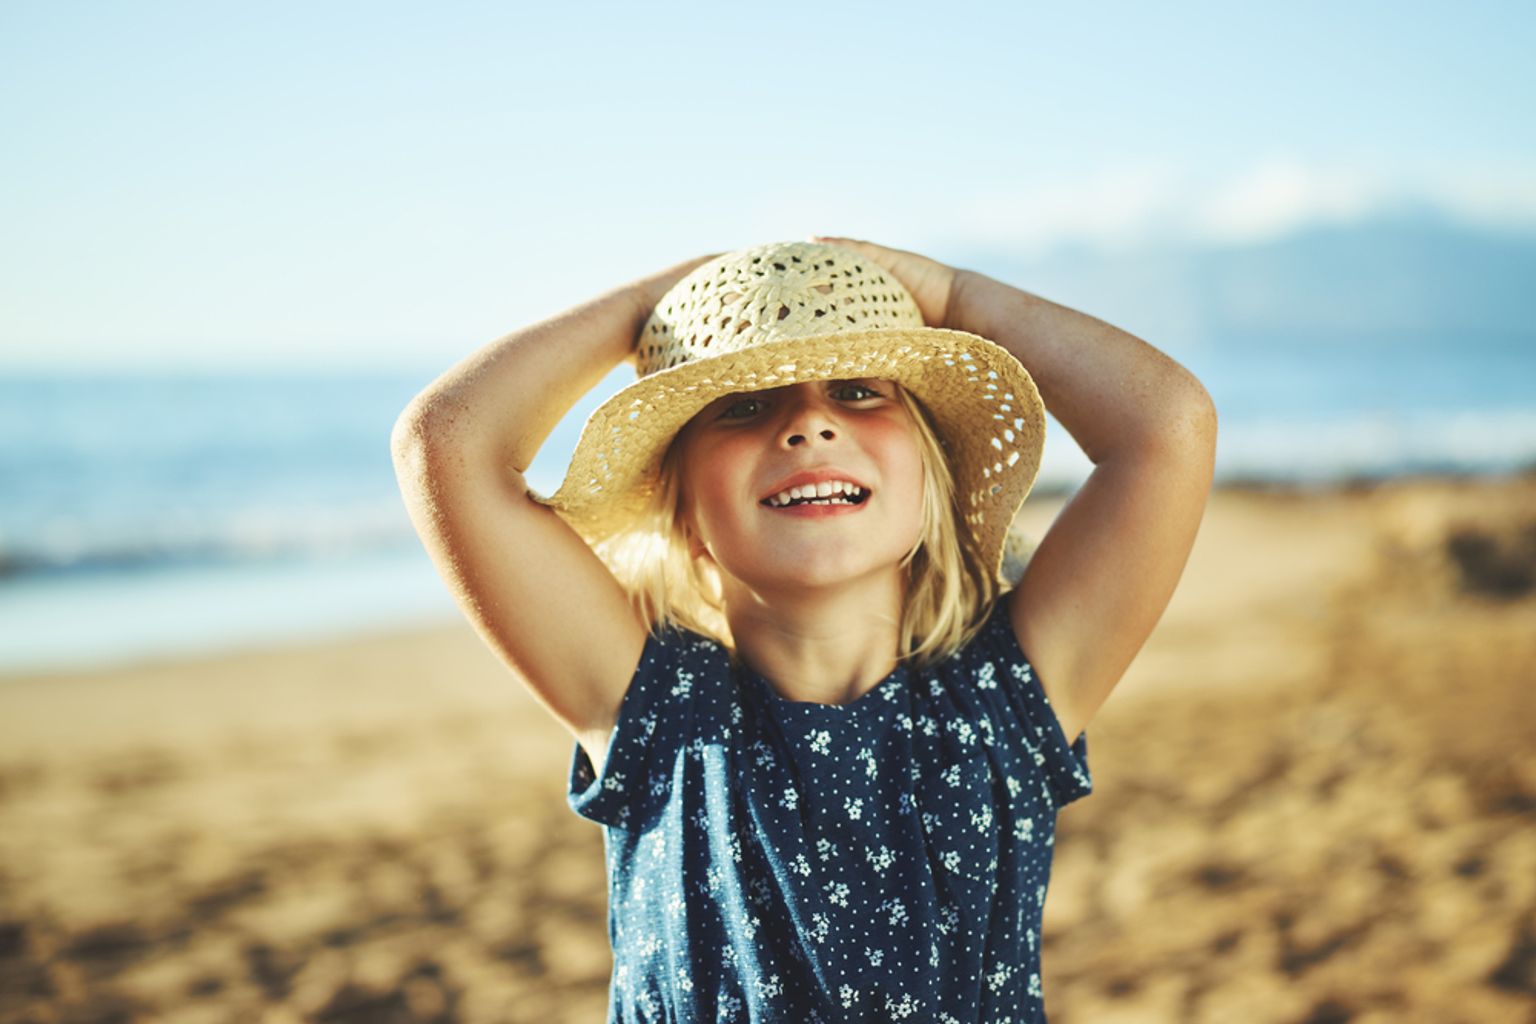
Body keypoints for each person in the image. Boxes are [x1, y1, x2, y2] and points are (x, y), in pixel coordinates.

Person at [390, 237, 1217, 1022]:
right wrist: (648, 305)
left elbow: (1166, 427)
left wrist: (958, 296)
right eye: (744, 405)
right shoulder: (657, 713)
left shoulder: (1007, 695)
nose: (809, 425)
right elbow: (445, 444)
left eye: (859, 391)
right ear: (682, 505)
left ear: (930, 476)